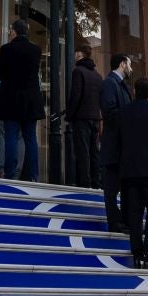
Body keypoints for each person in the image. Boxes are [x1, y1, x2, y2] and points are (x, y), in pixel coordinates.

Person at [102, 76, 148, 269]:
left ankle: (137, 254)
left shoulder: (123, 112)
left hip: (129, 171)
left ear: (134, 92)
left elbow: (118, 140)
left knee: (134, 214)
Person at [0, 19, 44, 182]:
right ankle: (33, 174)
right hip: (31, 100)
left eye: (10, 31)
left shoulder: (6, 49)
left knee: (11, 136)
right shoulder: (36, 50)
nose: (9, 33)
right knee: (30, 138)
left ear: (14, 31)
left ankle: (10, 172)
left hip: (11, 99)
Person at [97, 53, 132, 232]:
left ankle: (123, 220)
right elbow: (110, 112)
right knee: (111, 187)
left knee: (123, 185)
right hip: (114, 145)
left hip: (123, 146)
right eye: (129, 64)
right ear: (122, 64)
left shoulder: (120, 84)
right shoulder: (110, 83)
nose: (131, 68)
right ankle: (115, 221)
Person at [62, 45, 102, 189]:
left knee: (83, 151)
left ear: (80, 55)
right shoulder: (98, 76)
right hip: (95, 118)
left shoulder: (78, 71)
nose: (74, 57)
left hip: (82, 118)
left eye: (75, 53)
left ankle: (85, 182)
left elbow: (76, 95)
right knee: (94, 151)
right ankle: (96, 182)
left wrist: (69, 115)